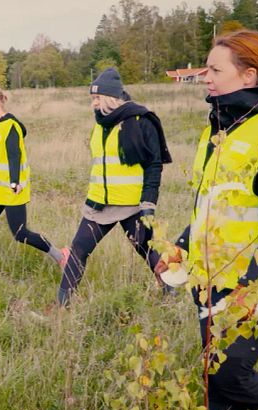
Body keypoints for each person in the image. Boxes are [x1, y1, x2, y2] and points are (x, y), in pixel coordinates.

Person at [153, 30, 258, 410]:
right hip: (211, 280)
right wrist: (178, 249)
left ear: (248, 75)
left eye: (214, 69)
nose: (205, 76)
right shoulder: (218, 130)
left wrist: (248, 292)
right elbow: (209, 209)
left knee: (228, 374)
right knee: (214, 383)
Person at [56, 67, 172, 306]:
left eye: (97, 98)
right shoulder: (100, 124)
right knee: (78, 250)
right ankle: (61, 306)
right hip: (99, 204)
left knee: (148, 252)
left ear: (110, 97)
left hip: (131, 205)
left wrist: (148, 203)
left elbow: (154, 165)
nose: (93, 104)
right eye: (92, 99)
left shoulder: (140, 120)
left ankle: (171, 294)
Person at [0, 86, 66, 276]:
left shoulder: (11, 126)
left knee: (20, 233)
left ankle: (61, 255)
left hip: (11, 190)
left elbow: (14, 155)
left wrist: (14, 182)